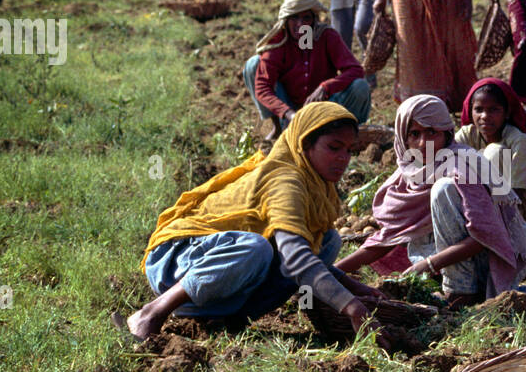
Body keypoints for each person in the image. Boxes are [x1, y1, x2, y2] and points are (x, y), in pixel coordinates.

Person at [117, 103, 389, 341]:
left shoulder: (317, 184)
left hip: (221, 265)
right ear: (305, 144)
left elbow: (300, 254)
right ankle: (152, 313)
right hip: (177, 259)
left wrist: (357, 288)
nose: (343, 158)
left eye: (349, 150)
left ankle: (227, 318)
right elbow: (295, 258)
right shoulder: (286, 181)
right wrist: (352, 306)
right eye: (333, 147)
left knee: (328, 241)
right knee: (255, 247)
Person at [335, 95, 526, 307]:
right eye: (414, 134)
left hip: (496, 259)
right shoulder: (411, 172)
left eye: (431, 132)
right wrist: (330, 273)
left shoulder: (461, 166)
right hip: (456, 260)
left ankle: (461, 293)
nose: (423, 143)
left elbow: (487, 235)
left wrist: (429, 264)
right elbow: (387, 238)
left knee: (444, 189)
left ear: (447, 133)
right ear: (403, 139)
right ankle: (454, 285)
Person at [243, 0, 371, 142]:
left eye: (306, 18)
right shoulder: (278, 42)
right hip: (288, 108)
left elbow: (355, 70)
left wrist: (326, 87)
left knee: (360, 86)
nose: (300, 24)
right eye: (294, 18)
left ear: (314, 20)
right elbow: (263, 87)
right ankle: (279, 128)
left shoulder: (326, 36)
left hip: (323, 106)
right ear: (286, 20)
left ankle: (348, 134)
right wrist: (289, 113)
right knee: (254, 64)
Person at [454, 77, 526, 238]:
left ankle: (497, 233)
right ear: (470, 111)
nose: (485, 116)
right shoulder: (468, 134)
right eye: (479, 109)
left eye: (494, 110)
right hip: (486, 208)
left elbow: (514, 196)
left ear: (506, 113)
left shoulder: (521, 142)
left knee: (494, 152)